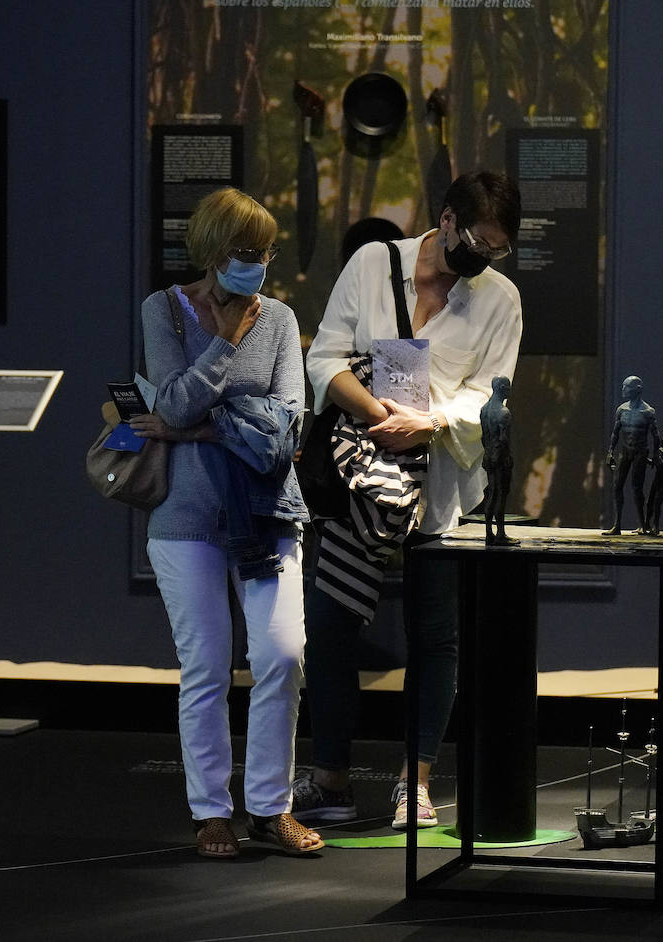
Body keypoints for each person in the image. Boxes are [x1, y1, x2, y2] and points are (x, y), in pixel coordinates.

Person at [293, 171, 523, 830]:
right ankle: (330, 778)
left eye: (498, 248)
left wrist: (433, 422)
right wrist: (374, 413)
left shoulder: (498, 298)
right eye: (479, 240)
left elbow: (493, 392)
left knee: (435, 635)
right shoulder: (373, 264)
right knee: (332, 626)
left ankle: (414, 782)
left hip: (441, 486)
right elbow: (325, 357)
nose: (485, 256)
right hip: (360, 475)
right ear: (446, 220)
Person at [131, 187, 323, 858]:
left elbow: (288, 428)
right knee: (206, 667)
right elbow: (175, 402)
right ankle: (211, 812)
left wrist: (198, 431)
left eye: (266, 252)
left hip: (270, 512)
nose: (258, 264)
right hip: (185, 520)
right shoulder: (165, 310)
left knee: (282, 656)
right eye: (246, 252)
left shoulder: (280, 319)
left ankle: (272, 808)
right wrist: (227, 345)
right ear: (213, 252)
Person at [603, 375, 660, 535]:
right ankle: (617, 525)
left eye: (626, 387)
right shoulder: (622, 410)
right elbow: (615, 433)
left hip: (640, 454)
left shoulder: (648, 412)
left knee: (637, 488)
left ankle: (643, 525)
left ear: (637, 389)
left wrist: (656, 455)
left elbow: (656, 436)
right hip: (624, 453)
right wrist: (610, 452)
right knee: (617, 486)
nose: (623, 389)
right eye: (623, 386)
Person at [479, 375, 517, 545]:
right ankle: (500, 533)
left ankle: (489, 533)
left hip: (488, 457)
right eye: (507, 387)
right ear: (501, 387)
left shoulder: (484, 409)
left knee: (492, 493)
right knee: (500, 494)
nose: (509, 390)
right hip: (500, 459)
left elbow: (483, 437)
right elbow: (503, 441)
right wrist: (506, 459)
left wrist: (489, 453)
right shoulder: (503, 413)